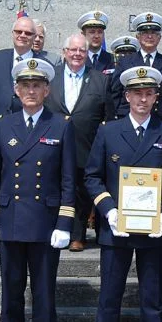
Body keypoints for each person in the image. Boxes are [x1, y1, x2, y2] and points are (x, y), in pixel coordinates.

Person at [85, 66, 162, 322]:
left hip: (152, 227)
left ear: (156, 96)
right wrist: (109, 211)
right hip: (117, 228)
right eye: (136, 93)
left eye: (149, 93)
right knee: (110, 296)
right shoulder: (108, 131)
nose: (143, 99)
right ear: (126, 96)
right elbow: (92, 176)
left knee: (152, 297)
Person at [0, 58, 75, 322]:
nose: (31, 91)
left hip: (46, 224)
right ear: (17, 90)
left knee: (44, 293)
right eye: (25, 86)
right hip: (10, 221)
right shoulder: (3, 125)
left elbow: (67, 181)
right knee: (11, 293)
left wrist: (65, 223)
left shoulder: (60, 125)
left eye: (37, 85)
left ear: (47, 89)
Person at [46, 34, 110, 252]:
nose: (77, 54)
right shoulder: (50, 78)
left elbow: (107, 116)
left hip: (86, 145)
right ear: (64, 52)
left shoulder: (100, 80)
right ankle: (55, 230)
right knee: (57, 188)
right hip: (54, 145)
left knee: (82, 193)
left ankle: (77, 235)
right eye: (72, 50)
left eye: (82, 50)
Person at [109, 12, 162, 122]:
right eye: (145, 32)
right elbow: (115, 93)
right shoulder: (124, 62)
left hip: (159, 122)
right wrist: (115, 119)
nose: (149, 36)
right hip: (128, 120)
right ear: (138, 37)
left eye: (153, 33)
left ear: (159, 37)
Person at [0, 17, 40, 126]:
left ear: (34, 37)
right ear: (12, 33)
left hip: (29, 127)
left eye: (28, 33)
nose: (22, 35)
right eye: (18, 31)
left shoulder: (41, 63)